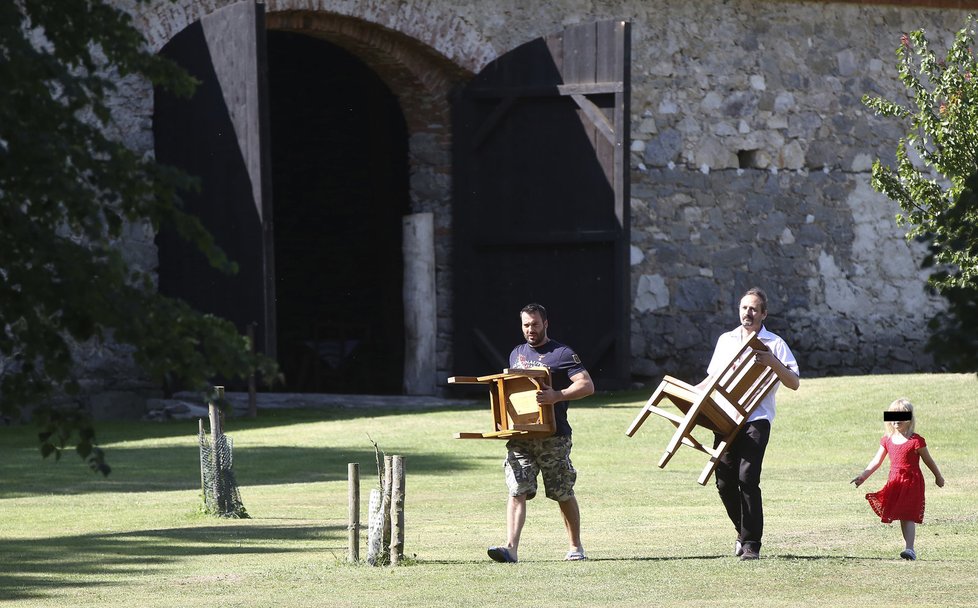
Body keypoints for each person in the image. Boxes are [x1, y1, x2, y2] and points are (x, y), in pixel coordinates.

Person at [487, 303, 594, 564]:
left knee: (562, 491)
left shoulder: (562, 353)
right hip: (521, 437)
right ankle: (510, 549)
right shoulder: (516, 354)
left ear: (546, 323)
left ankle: (575, 547)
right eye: (526, 325)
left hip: (553, 438)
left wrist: (557, 395)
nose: (530, 330)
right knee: (517, 489)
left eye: (535, 324)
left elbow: (587, 385)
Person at [698, 287, 800, 561]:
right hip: (725, 417)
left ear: (764, 313)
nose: (748, 312)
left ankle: (752, 543)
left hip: (757, 419)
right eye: (744, 308)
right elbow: (712, 379)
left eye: (754, 308)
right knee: (723, 482)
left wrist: (772, 362)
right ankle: (742, 533)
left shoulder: (775, 343)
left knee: (747, 477)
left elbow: (794, 382)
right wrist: (691, 395)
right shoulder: (726, 339)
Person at [851, 398, 945, 561]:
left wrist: (938, 476)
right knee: (902, 514)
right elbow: (876, 461)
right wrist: (863, 476)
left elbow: (928, 460)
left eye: (900, 416)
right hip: (895, 482)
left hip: (912, 482)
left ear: (909, 418)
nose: (895, 420)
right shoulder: (887, 440)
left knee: (907, 514)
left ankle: (909, 549)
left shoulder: (916, 441)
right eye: (892, 416)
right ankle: (908, 547)